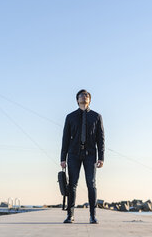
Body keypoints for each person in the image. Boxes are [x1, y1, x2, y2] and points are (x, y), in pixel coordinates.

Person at [60, 89, 105, 224]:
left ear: (89, 100)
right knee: (72, 185)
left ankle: (92, 215)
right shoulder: (70, 117)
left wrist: (101, 157)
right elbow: (65, 138)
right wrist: (63, 158)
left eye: (86, 95)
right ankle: (70, 215)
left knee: (91, 184)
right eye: (81, 95)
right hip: (73, 154)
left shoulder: (96, 116)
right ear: (77, 99)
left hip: (90, 154)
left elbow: (101, 138)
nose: (84, 97)